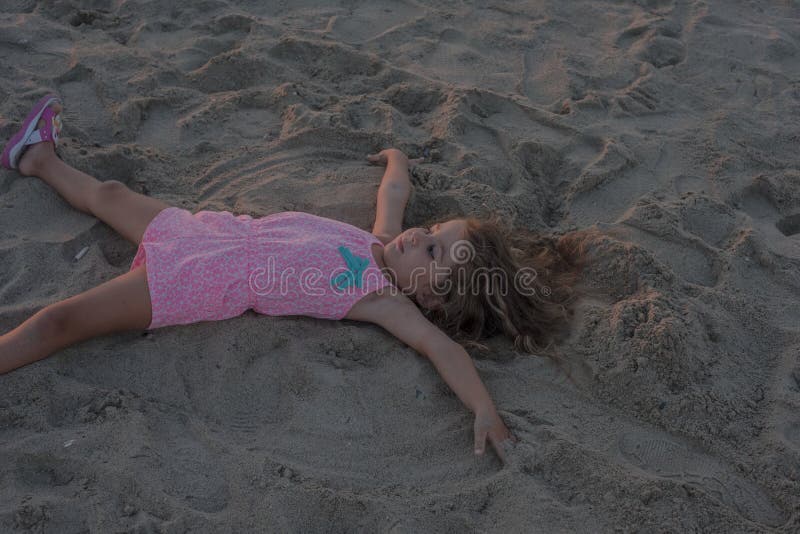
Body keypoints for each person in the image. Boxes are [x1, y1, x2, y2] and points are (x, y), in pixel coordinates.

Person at [1, 95, 583, 462]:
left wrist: (484, 407)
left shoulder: (382, 299)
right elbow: (395, 196)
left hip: (206, 280)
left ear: (431, 292)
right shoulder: (379, 242)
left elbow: (442, 348)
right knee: (110, 193)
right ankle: (35, 157)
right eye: (431, 229)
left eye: (431, 249)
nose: (416, 235)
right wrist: (398, 160)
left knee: (63, 319)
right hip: (211, 232)